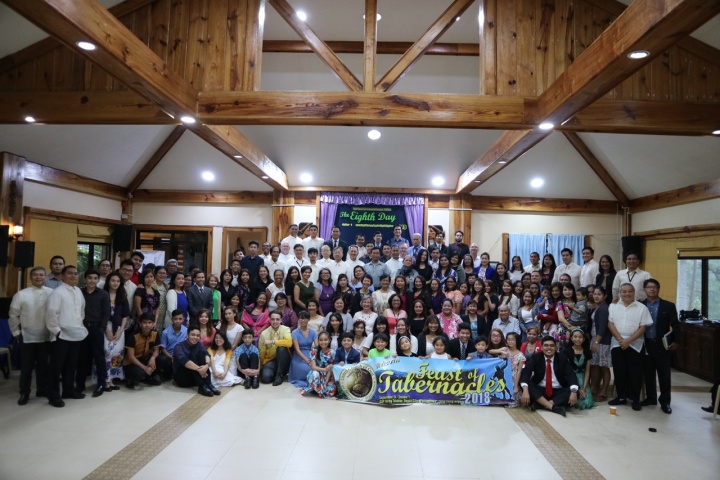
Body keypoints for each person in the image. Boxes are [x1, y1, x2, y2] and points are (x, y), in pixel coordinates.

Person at [9, 266, 54, 405]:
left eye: (41, 275)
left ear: (46, 277)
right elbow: (13, 315)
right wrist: (16, 332)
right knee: (27, 367)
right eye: (35, 275)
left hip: (46, 335)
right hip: (27, 335)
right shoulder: (21, 294)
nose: (38, 277)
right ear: (30, 278)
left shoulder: (52, 293)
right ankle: (24, 393)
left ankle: (42, 389)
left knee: (43, 365)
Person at [45, 265, 86, 407]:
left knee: (71, 365)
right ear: (62, 275)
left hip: (75, 334)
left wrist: (79, 326)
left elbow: (81, 311)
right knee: (56, 367)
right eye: (70, 273)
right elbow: (51, 314)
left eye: (75, 273)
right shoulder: (57, 292)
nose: (74, 276)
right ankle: (53, 395)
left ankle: (68, 391)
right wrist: (57, 331)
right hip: (60, 335)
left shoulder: (78, 291)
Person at [607, 283, 653, 411]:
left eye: (630, 291)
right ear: (620, 293)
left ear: (634, 292)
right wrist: (621, 340)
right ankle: (621, 397)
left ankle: (634, 399)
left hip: (635, 343)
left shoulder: (642, 308)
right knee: (619, 371)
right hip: (617, 342)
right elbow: (610, 323)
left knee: (635, 372)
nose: (627, 294)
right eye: (624, 291)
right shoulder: (613, 306)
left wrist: (629, 341)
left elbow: (643, 327)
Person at [640, 278, 679, 414]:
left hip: (662, 345)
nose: (652, 289)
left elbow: (675, 325)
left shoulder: (668, 306)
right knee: (648, 373)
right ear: (644, 290)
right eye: (649, 287)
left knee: (664, 374)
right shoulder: (640, 305)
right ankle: (651, 398)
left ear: (658, 289)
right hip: (645, 344)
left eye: (654, 287)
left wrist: (676, 341)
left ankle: (665, 401)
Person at [519, 335, 579, 417]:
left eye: (551, 346)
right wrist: (525, 390)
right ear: (542, 347)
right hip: (540, 390)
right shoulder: (536, 357)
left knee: (575, 390)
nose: (549, 348)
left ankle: (541, 404)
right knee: (526, 385)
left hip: (558, 390)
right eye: (546, 345)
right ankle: (552, 407)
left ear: (556, 347)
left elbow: (571, 375)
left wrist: (573, 392)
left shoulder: (562, 358)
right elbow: (526, 372)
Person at [77, 269, 111, 398]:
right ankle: (79, 385)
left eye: (95, 278)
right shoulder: (79, 293)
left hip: (97, 328)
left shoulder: (103, 294)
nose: (92, 280)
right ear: (85, 279)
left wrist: (101, 329)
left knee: (99, 358)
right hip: (82, 328)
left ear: (98, 280)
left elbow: (106, 313)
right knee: (82, 358)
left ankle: (101, 384)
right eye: (90, 278)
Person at [172, 325, 221, 397]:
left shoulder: (199, 344)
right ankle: (202, 386)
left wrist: (206, 366)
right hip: (182, 378)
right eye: (193, 335)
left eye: (198, 336)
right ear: (187, 335)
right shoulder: (179, 346)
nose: (195, 337)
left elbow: (206, 354)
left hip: (195, 377)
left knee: (202, 354)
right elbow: (184, 361)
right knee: (192, 356)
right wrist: (200, 369)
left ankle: (209, 384)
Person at [102, 271, 129, 389]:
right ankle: (104, 380)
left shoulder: (122, 296)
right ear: (108, 282)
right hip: (105, 327)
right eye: (113, 280)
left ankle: (111, 380)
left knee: (117, 354)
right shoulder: (103, 294)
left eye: (118, 281)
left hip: (118, 328)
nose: (115, 283)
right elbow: (100, 314)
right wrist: (106, 329)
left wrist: (121, 330)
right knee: (106, 353)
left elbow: (125, 315)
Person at [123, 313, 163, 389]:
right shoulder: (133, 335)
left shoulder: (155, 334)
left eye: (149, 323)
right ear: (140, 324)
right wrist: (145, 368)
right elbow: (130, 357)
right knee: (140, 373)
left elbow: (156, 350)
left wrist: (153, 358)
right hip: (131, 362)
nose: (147, 325)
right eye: (144, 322)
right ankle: (129, 377)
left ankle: (147, 376)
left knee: (162, 360)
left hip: (144, 359)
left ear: (153, 324)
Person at [562, 328, 595, 410]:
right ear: (571, 338)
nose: (577, 339)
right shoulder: (566, 351)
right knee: (576, 403)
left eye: (580, 337)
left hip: (583, 378)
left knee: (587, 402)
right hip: (571, 378)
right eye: (575, 337)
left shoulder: (587, 352)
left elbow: (587, 371)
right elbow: (566, 371)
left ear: (583, 339)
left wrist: (583, 388)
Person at [589, 286, 612, 401]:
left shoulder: (604, 308)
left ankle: (604, 391)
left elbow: (602, 327)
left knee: (604, 366)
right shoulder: (597, 307)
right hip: (595, 339)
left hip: (602, 341)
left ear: (605, 296)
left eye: (599, 294)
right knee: (595, 365)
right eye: (594, 294)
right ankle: (594, 389)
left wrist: (597, 342)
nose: (596, 296)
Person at [302, 331, 337, 398]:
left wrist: (325, 383)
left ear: (329, 340)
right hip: (317, 373)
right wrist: (324, 369)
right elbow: (313, 367)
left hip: (327, 376)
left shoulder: (333, 352)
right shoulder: (314, 351)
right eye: (321, 340)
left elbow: (330, 370)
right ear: (318, 341)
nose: (323, 342)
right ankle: (317, 389)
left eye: (325, 340)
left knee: (331, 391)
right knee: (315, 374)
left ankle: (317, 389)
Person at [289, 310, 317, 387]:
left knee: (315, 368)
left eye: (305, 318)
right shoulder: (294, 332)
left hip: (311, 353)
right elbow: (297, 349)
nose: (303, 320)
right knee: (307, 369)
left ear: (309, 319)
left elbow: (317, 347)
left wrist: (313, 359)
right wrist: (308, 361)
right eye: (301, 318)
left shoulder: (313, 332)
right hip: (299, 356)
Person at [159, 310, 188, 378]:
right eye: (175, 319)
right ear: (172, 319)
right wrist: (171, 357)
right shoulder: (165, 332)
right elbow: (163, 348)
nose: (178, 321)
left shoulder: (186, 331)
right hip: (169, 356)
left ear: (183, 319)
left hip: (181, 356)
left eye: (180, 319)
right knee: (163, 360)